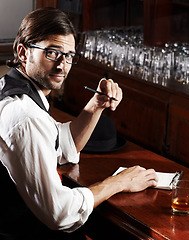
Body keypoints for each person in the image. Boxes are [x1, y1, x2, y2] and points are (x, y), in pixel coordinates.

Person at [0, 7, 158, 240]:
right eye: (52, 53)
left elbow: (61, 145)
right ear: (24, 53)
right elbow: (59, 213)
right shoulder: (26, 117)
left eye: (70, 56)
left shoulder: (14, 89)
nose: (63, 65)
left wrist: (96, 105)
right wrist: (117, 183)